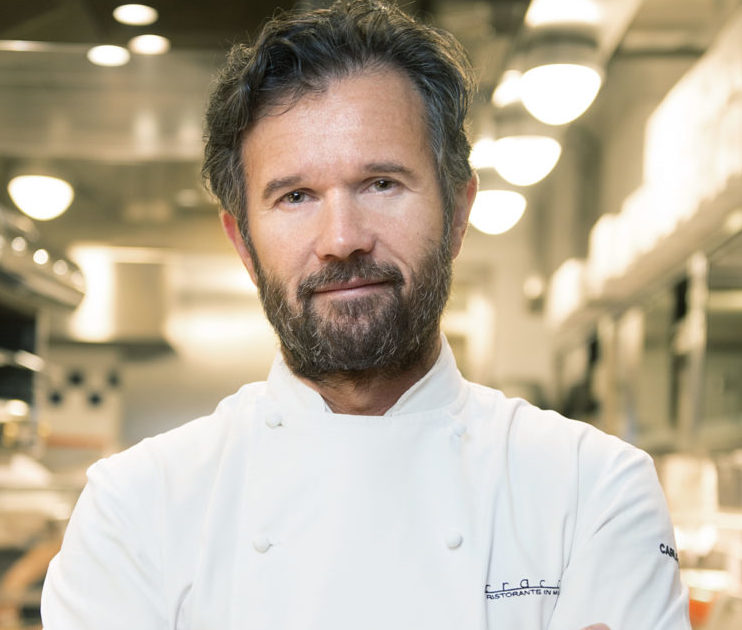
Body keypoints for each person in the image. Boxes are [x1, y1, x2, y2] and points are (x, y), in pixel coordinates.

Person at [41, 1, 690, 629]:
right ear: (243, 245)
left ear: (458, 213)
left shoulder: (594, 488)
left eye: (382, 184)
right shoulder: (135, 509)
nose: (342, 238)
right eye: (295, 196)